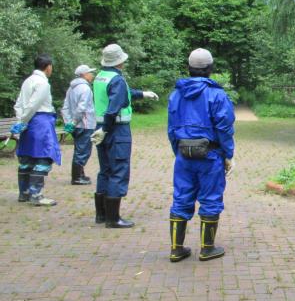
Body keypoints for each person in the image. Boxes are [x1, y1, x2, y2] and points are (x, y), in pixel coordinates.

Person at [167, 48, 235, 262]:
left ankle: (176, 249)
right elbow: (225, 127)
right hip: (210, 155)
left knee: (181, 197)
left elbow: (171, 128)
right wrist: (228, 154)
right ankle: (207, 248)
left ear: (189, 68)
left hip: (184, 155)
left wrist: (177, 151)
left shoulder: (176, 94)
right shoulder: (217, 95)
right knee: (211, 198)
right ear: (209, 69)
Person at [90, 44, 159, 228]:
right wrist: (106, 128)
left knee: (104, 170)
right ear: (120, 61)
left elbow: (121, 95)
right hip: (116, 129)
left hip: (101, 129)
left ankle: (101, 215)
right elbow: (114, 107)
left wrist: (142, 94)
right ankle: (113, 219)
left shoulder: (100, 77)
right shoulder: (117, 79)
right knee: (118, 169)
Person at [12, 55, 61, 206]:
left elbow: (19, 104)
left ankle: (24, 193)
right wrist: (24, 120)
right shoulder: (42, 83)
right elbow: (34, 105)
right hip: (40, 122)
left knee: (27, 157)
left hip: (28, 123)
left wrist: (21, 121)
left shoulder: (28, 81)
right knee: (43, 157)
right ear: (48, 67)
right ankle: (36, 195)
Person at [61, 64, 96, 185]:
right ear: (84, 75)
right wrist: (75, 121)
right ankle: (76, 177)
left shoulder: (71, 88)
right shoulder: (85, 88)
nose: (92, 75)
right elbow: (82, 108)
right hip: (85, 125)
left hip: (74, 125)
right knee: (83, 151)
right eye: (90, 73)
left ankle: (80, 174)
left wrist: (68, 123)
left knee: (79, 150)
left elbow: (65, 107)